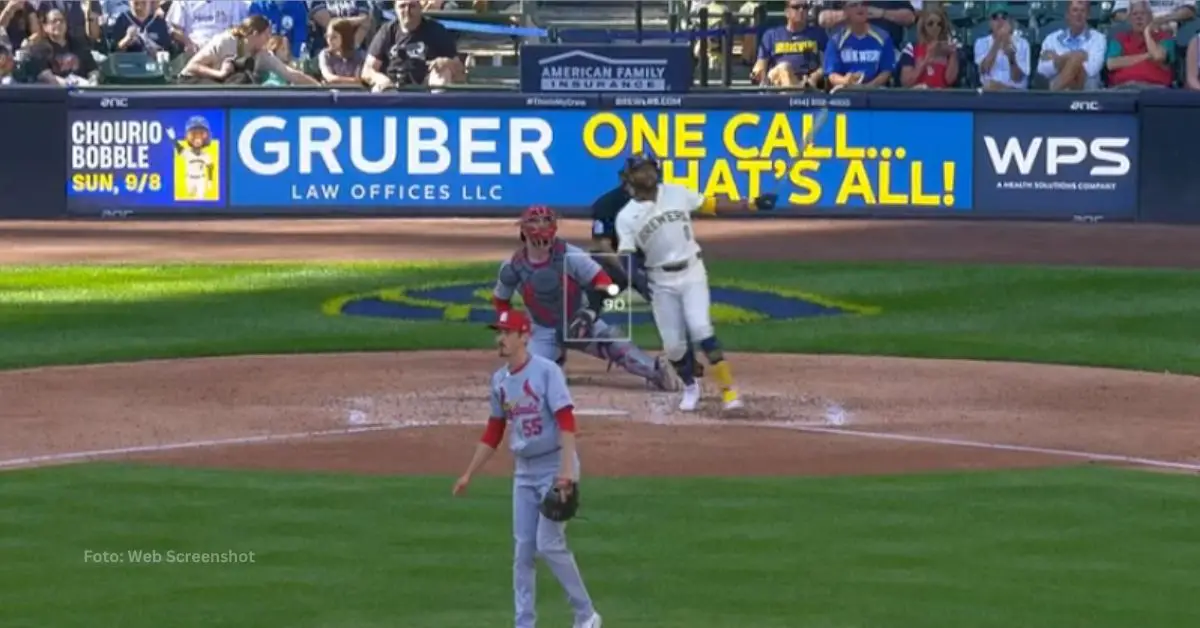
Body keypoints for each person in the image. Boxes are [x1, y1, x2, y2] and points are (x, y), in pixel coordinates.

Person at [452, 308, 602, 628]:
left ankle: (586, 614)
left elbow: (566, 422)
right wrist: (468, 473)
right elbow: (494, 431)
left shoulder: (547, 372)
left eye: (507, 333)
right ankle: (524, 623)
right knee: (523, 552)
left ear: (524, 337)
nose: (500, 339)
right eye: (499, 333)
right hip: (524, 471)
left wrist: (566, 474)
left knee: (549, 544)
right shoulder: (500, 382)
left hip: (554, 465)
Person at [614, 154, 776, 412]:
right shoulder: (626, 216)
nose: (647, 175)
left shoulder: (677, 193)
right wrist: (638, 279)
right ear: (630, 177)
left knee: (702, 329)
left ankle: (728, 391)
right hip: (660, 280)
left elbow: (712, 205)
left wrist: (752, 204)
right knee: (674, 347)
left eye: (649, 169)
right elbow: (627, 255)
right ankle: (691, 386)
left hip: (692, 272)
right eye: (640, 170)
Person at [492, 204, 682, 392]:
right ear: (524, 231)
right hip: (542, 330)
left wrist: (589, 313)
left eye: (545, 223)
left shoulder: (571, 255)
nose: (541, 232)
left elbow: (604, 283)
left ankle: (657, 371)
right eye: (536, 224)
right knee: (530, 381)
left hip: (579, 320)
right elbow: (501, 301)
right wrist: (514, 329)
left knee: (616, 344)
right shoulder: (512, 267)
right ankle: (552, 361)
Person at [588, 165, 706, 383]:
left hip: (650, 264)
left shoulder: (663, 199)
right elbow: (601, 245)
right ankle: (558, 348)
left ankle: (687, 362)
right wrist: (627, 268)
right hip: (616, 265)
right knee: (587, 300)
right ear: (625, 177)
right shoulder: (606, 204)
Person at [178, 14, 318, 85]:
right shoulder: (225, 41)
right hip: (192, 82)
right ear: (255, 34)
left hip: (222, 88)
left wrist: (318, 86)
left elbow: (290, 73)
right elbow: (193, 66)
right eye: (266, 35)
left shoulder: (261, 55)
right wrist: (219, 74)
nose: (269, 39)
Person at [361, 0, 464, 91]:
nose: (407, 10)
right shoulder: (387, 30)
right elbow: (367, 70)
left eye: (412, 6)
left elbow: (460, 71)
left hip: (426, 86)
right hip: (391, 87)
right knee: (378, 87)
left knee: (443, 72)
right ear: (395, 9)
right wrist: (381, 80)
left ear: (420, 8)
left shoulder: (436, 30)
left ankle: (436, 109)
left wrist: (445, 62)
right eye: (402, 6)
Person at [750, 0, 827, 88]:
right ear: (787, 12)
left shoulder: (818, 34)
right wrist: (757, 73)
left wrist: (814, 77)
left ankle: (795, 92)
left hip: (807, 84)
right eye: (796, 7)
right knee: (784, 68)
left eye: (805, 7)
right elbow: (761, 65)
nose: (801, 10)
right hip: (777, 85)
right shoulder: (771, 35)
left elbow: (827, 64)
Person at [823, 0, 896, 88]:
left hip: (875, 90)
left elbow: (886, 71)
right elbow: (832, 75)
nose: (860, 8)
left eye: (864, 4)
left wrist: (869, 86)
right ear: (846, 11)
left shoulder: (883, 37)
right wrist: (846, 81)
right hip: (845, 89)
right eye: (854, 5)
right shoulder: (836, 40)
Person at [1037, 0, 1106, 91]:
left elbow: (1092, 69)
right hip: (1058, 80)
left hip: (1086, 89)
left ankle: (1052, 92)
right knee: (1076, 59)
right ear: (1067, 15)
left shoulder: (1098, 38)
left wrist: (1058, 59)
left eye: (1083, 11)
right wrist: (1076, 56)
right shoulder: (1052, 39)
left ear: (1088, 15)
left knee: (1076, 62)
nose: (1079, 15)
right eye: (1075, 10)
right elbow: (1042, 69)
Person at [1105, 0, 1176, 88]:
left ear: (1151, 17)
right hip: (1123, 88)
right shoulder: (1120, 38)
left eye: (1143, 14)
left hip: (1155, 88)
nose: (1139, 17)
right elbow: (1111, 64)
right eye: (1135, 14)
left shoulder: (1164, 37)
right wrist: (1147, 56)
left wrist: (1147, 32)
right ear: (1130, 19)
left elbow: (1158, 56)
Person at [973, 3, 1030, 91]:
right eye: (995, 17)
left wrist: (1011, 59)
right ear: (990, 23)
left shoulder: (1022, 43)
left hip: (1015, 93)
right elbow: (984, 69)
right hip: (990, 92)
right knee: (989, 87)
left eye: (1004, 17)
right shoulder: (981, 43)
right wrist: (998, 40)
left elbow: (1018, 78)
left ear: (1010, 21)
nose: (1000, 21)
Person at [897, 6, 958, 88]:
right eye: (930, 24)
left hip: (941, 95)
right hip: (917, 94)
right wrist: (927, 60)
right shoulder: (911, 48)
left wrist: (953, 53)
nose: (935, 27)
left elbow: (949, 80)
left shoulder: (948, 50)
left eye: (939, 24)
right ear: (923, 26)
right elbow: (906, 82)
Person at [317, 17, 365, 85]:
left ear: (345, 37)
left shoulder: (360, 55)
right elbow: (329, 77)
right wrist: (353, 81)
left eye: (334, 37)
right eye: (327, 36)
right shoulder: (325, 54)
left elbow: (359, 82)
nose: (329, 40)